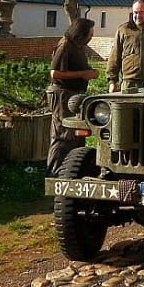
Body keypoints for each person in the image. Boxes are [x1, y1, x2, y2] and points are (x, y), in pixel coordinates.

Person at [46, 17, 98, 176]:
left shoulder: (78, 47)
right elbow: (55, 73)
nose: (91, 36)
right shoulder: (65, 45)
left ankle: (73, 172)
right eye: (90, 33)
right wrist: (83, 74)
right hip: (63, 94)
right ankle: (55, 175)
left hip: (74, 95)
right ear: (80, 33)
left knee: (76, 134)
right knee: (63, 135)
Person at [107, 0, 144, 92]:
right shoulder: (123, 30)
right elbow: (115, 57)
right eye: (135, 12)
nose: (138, 15)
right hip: (129, 82)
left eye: (141, 12)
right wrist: (112, 81)